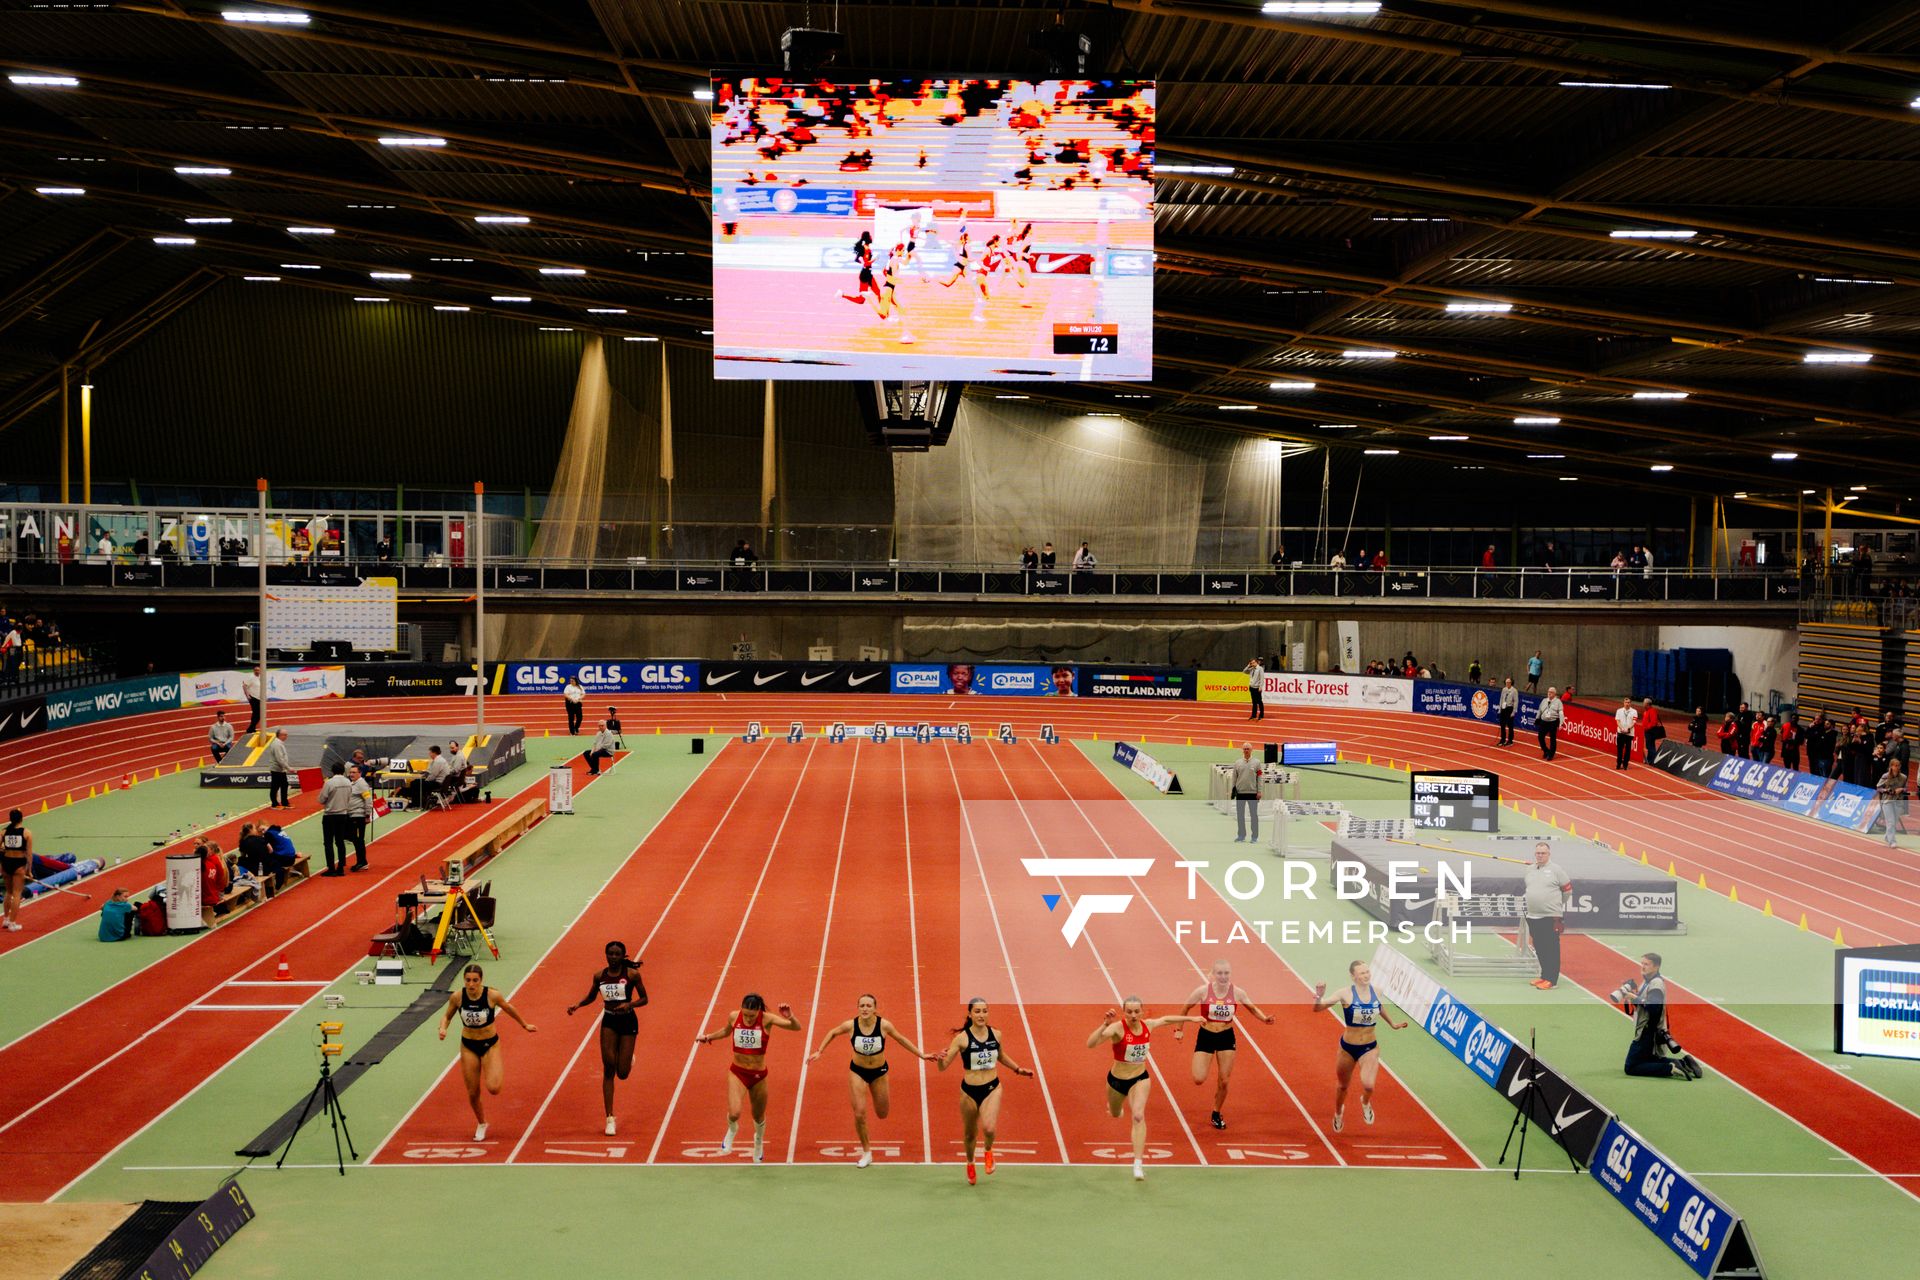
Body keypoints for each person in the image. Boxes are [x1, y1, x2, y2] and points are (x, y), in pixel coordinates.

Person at [808, 994, 933, 1168]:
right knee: (859, 1113)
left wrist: (921, 1055)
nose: (865, 1009)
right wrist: (819, 1051)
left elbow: (901, 1039)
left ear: (875, 1008)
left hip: (879, 1072)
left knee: (882, 1113)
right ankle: (867, 1152)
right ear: (858, 1008)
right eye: (862, 1006)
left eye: (868, 1006)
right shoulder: (851, 1025)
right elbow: (833, 1032)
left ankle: (869, 1141)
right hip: (857, 1071)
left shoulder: (884, 1025)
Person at [1086, 1000, 1203, 1181]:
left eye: (1136, 1012)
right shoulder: (1117, 1028)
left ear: (1142, 1012)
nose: (1133, 1015)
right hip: (1116, 1081)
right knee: (1116, 1114)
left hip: (1140, 1078)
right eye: (1129, 1012)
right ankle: (1115, 1105)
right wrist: (1104, 1025)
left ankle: (1138, 1163)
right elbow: (1091, 1044)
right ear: (1124, 1012)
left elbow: (1166, 1020)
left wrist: (1192, 1018)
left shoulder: (1148, 1025)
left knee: (1138, 1116)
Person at [935, 997, 1035, 1184]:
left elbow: (1001, 1056)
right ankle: (970, 1162)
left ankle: (988, 1152)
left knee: (989, 1128)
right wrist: (940, 1058)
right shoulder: (962, 1039)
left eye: (985, 1011)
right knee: (970, 1134)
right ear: (970, 1014)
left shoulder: (996, 1034)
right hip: (969, 1091)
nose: (981, 1015)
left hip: (992, 1087)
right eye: (978, 1011)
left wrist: (1018, 1069)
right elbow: (943, 1066)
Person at [696, 993, 802, 1163]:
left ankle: (758, 1143)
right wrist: (708, 1037)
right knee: (734, 1112)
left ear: (758, 1011)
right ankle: (732, 1130)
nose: (748, 1018)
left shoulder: (767, 1019)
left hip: (758, 1075)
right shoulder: (733, 1016)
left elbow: (796, 1027)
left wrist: (791, 1016)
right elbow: (726, 1031)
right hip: (737, 1072)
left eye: (752, 1016)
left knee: (758, 1116)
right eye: (745, 1014)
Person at [438, 963, 537, 1141]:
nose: (471, 984)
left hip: (490, 1044)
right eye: (468, 980)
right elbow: (447, 1016)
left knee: (494, 1088)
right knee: (473, 1091)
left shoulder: (491, 995)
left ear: (481, 980)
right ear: (464, 981)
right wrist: (443, 1028)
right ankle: (482, 1123)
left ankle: (490, 1066)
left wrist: (524, 1024)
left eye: (475, 980)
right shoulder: (458, 997)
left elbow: (508, 1008)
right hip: (468, 1045)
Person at [1172, 960, 1275, 1130]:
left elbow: (1252, 1008)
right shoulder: (1203, 991)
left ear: (1230, 974)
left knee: (1224, 1081)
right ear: (1213, 974)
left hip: (1226, 1036)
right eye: (1219, 973)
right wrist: (1179, 1029)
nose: (1223, 976)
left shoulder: (1238, 992)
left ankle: (1216, 1112)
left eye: (1226, 973)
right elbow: (1185, 1007)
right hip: (1206, 1035)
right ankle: (1214, 1101)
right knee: (1198, 1078)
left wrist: (1264, 1018)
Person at [1310, 960, 1409, 1132]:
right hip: (1347, 1048)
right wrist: (1319, 996)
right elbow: (1318, 1009)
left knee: (1369, 1085)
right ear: (1353, 976)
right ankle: (1338, 1113)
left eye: (1367, 972)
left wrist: (1392, 1023)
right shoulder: (1344, 993)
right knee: (1342, 1086)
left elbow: (1379, 1007)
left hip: (1369, 1047)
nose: (1366, 975)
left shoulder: (1377, 992)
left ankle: (1365, 1102)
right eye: (1362, 973)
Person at [566, 940, 648, 1135]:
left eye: (616, 954)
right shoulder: (599, 976)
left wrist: (629, 1005)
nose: (613, 957)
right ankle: (609, 1117)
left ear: (623, 956)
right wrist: (578, 1005)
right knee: (608, 1068)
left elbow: (645, 999)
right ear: (606, 955)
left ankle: (628, 1059)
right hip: (609, 1022)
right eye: (609, 954)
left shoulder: (632, 975)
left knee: (622, 1073)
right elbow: (592, 997)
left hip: (628, 1021)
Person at [1614, 953, 1701, 1080]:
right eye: (1642, 963)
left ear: (1656, 967)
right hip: (1647, 1029)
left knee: (1631, 1067)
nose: (1642, 966)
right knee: (1650, 1059)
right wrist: (1631, 997)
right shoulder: (1647, 981)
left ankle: (1670, 1068)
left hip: (1648, 1031)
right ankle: (1684, 1063)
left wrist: (1635, 998)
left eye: (1646, 964)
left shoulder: (1656, 984)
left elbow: (1654, 1008)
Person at [1523, 841, 1571, 990]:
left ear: (1549, 854)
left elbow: (1567, 890)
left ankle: (1552, 980)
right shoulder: (1530, 869)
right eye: (1538, 853)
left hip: (1550, 916)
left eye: (1543, 853)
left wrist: (1555, 907)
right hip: (1533, 915)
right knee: (1539, 946)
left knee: (1551, 948)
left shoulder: (1557, 870)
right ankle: (1544, 976)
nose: (1540, 855)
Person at [319, 762, 354, 877]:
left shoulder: (329, 783)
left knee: (328, 842)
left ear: (332, 771)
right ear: (343, 771)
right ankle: (341, 867)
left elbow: (322, 799)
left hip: (330, 815)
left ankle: (331, 868)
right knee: (340, 841)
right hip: (343, 815)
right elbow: (350, 796)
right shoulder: (348, 782)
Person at [235, 821, 283, 895]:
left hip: (255, 868)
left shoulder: (243, 842)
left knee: (240, 860)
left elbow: (243, 855)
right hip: (268, 867)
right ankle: (277, 886)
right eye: (254, 828)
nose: (256, 830)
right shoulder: (261, 838)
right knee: (273, 860)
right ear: (250, 830)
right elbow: (271, 850)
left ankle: (239, 877)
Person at [2, 808, 30, 932]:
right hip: (19, 864)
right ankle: (12, 924)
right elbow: (29, 854)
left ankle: (6, 919)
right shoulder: (26, 833)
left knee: (8, 893)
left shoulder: (3, 832)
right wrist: (29, 870)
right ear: (21, 819)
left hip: (6, 862)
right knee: (17, 893)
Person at [1227, 742, 1262, 843]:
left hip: (1252, 792)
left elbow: (1259, 778)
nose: (1246, 750)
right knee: (1240, 815)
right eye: (1245, 749)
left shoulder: (1257, 763)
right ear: (1242, 750)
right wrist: (1233, 789)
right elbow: (1234, 777)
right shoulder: (1237, 763)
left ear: (1251, 750)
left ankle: (1254, 837)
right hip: (1240, 793)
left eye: (1248, 749)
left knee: (1254, 815)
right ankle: (1241, 835)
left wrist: (1259, 791)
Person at [345, 764, 372, 871]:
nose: (351, 774)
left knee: (358, 840)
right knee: (355, 839)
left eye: (353, 772)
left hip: (358, 816)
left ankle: (362, 862)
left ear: (359, 773)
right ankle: (361, 861)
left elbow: (368, 800)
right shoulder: (353, 783)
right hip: (352, 815)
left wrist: (367, 815)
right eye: (350, 772)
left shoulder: (361, 784)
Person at [1876, 762, 1907, 846]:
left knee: (1895, 821)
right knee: (1891, 822)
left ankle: (1887, 836)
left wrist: (1901, 789)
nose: (1897, 767)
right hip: (1887, 801)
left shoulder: (1904, 777)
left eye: (1898, 765)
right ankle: (1892, 841)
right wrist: (1887, 791)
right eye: (1895, 765)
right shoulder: (1885, 776)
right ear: (1891, 766)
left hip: (1898, 801)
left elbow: (1906, 789)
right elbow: (1878, 787)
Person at [265, 728, 291, 809]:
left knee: (284, 785)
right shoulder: (277, 744)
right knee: (275, 786)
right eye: (285, 735)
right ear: (280, 735)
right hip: (277, 769)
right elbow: (279, 759)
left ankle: (284, 802)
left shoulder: (279, 743)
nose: (287, 736)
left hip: (281, 769)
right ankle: (274, 804)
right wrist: (288, 767)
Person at [1535, 686, 1563, 760]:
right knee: (1540, 737)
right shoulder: (1544, 700)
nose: (1549, 693)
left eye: (1551, 692)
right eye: (1548, 692)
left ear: (1554, 693)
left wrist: (1561, 723)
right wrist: (1537, 718)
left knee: (1552, 739)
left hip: (1553, 722)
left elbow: (1561, 713)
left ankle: (1551, 754)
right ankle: (1546, 750)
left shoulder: (1558, 702)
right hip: (1543, 721)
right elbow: (1540, 710)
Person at [1613, 696, 1639, 770]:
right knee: (1619, 749)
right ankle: (1618, 763)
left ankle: (1625, 764)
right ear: (1623, 703)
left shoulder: (1634, 711)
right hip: (1620, 733)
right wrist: (1621, 728)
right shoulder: (1619, 711)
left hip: (1629, 734)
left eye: (1628, 702)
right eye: (1626, 702)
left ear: (1630, 703)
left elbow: (1634, 722)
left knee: (1627, 750)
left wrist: (1628, 729)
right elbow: (1617, 721)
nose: (1627, 704)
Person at [1496, 677, 1518, 746]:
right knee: (1502, 725)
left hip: (1509, 708)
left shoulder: (1514, 691)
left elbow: (1516, 701)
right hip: (1503, 708)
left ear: (1511, 683)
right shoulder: (1504, 689)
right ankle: (1502, 739)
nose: (1507, 684)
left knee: (1510, 725)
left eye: (1509, 682)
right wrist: (1500, 709)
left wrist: (1513, 711)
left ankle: (1510, 741)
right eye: (1506, 682)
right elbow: (1501, 699)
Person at [1243, 655, 1265, 721]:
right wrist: (1248, 666)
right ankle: (1253, 715)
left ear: (1256, 662)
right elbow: (1244, 671)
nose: (1252, 664)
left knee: (1259, 701)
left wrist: (1260, 687)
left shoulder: (1260, 669)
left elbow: (1262, 678)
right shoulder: (1251, 668)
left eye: (1253, 662)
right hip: (1251, 687)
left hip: (1257, 688)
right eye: (1251, 663)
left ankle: (1261, 714)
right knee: (1254, 702)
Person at [242, 666, 263, 733]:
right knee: (257, 714)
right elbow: (244, 686)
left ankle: (252, 728)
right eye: (256, 670)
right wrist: (247, 695)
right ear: (253, 671)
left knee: (256, 714)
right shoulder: (251, 678)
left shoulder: (260, 677)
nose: (257, 671)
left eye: (258, 670)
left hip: (259, 698)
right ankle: (250, 728)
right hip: (253, 698)